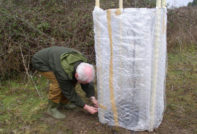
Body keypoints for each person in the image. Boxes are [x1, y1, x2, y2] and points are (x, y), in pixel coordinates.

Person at [32, 46, 98, 119]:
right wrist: (86, 107)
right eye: (83, 82)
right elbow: (68, 91)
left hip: (55, 59)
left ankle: (64, 102)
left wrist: (92, 97)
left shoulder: (85, 64)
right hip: (41, 62)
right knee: (57, 84)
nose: (85, 83)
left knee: (71, 80)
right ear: (76, 75)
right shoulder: (62, 73)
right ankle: (51, 109)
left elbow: (87, 82)